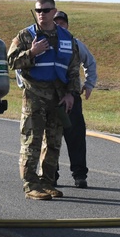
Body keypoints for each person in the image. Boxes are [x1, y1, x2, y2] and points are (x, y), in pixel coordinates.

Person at [6, 0, 81, 200]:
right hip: (34, 97)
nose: (42, 13)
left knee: (54, 143)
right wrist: (32, 52)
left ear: (54, 11)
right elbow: (11, 61)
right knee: (32, 142)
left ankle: (47, 182)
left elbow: (74, 69)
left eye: (46, 10)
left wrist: (70, 94)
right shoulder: (26, 35)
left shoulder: (67, 37)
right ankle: (31, 185)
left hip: (58, 100)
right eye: (38, 10)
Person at [53, 10, 97, 188]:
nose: (58, 25)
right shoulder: (42, 43)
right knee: (50, 138)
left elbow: (90, 63)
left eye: (62, 23)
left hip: (72, 97)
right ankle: (51, 175)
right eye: (56, 22)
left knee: (76, 138)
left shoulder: (75, 44)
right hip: (49, 98)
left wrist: (89, 84)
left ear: (67, 25)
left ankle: (80, 176)